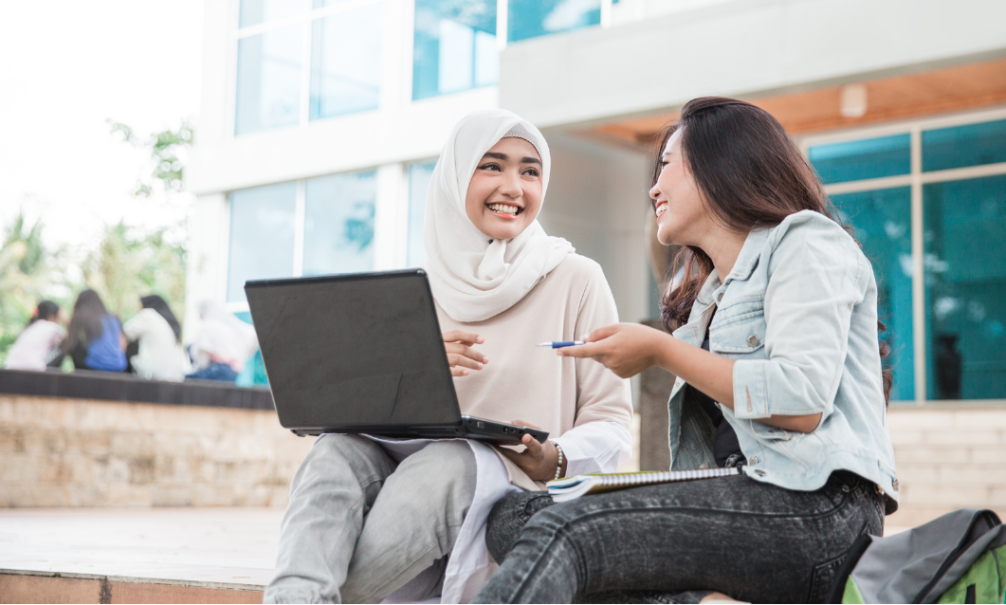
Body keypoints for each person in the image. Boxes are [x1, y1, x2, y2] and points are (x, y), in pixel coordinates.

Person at [475, 97, 899, 604]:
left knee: (569, 529)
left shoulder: (806, 242)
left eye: (667, 166)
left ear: (721, 164)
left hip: (820, 511)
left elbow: (801, 403)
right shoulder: (710, 299)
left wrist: (660, 350)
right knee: (512, 518)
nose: (653, 187)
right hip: (742, 498)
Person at [263, 109, 634, 604]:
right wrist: (408, 365)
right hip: (398, 488)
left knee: (450, 460)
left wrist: (555, 457)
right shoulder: (415, 288)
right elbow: (356, 412)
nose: (513, 187)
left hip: (498, 489)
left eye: (530, 171)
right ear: (456, 176)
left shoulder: (574, 278)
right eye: (491, 166)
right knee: (333, 452)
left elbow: (611, 423)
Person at [186, 299, 258, 382]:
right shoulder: (229, 327)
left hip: (219, 370)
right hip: (232, 373)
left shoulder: (208, 326)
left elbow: (204, 355)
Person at [122, 295, 189, 381]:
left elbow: (123, 333)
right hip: (176, 377)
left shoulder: (148, 314)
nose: (138, 310)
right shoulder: (168, 322)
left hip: (154, 376)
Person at [62, 289, 128, 372]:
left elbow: (70, 342)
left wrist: (65, 321)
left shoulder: (81, 317)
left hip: (93, 366)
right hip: (119, 366)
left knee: (74, 343)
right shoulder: (113, 318)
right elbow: (123, 345)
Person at [3, 300, 67, 371]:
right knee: (64, 346)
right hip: (32, 369)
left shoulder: (30, 326)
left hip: (9, 368)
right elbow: (71, 340)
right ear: (51, 317)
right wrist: (66, 320)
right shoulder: (52, 326)